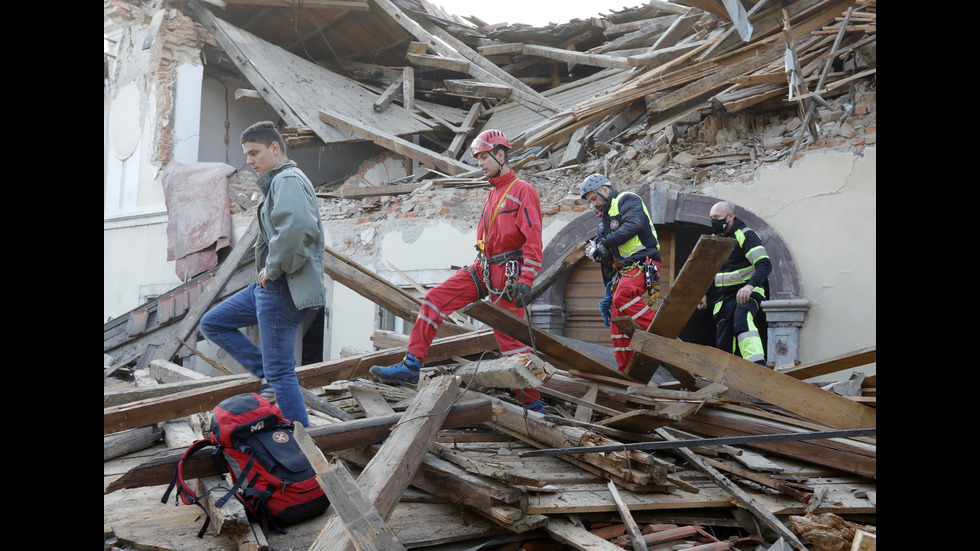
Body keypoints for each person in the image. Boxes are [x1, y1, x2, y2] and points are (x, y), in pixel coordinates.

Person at [369, 129, 546, 412]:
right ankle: (411, 367)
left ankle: (534, 408)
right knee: (434, 299)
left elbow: (534, 239)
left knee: (510, 341)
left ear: (501, 155)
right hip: (484, 268)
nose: (479, 164)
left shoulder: (523, 190)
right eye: (477, 159)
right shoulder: (493, 194)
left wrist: (527, 278)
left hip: (509, 275)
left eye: (484, 158)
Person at [200, 121, 325, 427]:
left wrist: (273, 268)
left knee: (281, 372)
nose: (250, 161)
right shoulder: (278, 183)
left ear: (274, 148)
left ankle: (301, 443)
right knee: (212, 322)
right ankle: (264, 373)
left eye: (254, 152)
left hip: (281, 287)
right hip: (267, 288)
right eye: (246, 155)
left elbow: (296, 228)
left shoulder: (288, 180)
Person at [579, 174, 662, 371]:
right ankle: (625, 368)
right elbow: (605, 248)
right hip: (626, 269)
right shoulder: (604, 218)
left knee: (622, 296)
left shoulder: (628, 200)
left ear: (605, 190)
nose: (593, 205)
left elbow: (634, 225)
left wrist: (604, 244)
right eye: (590, 201)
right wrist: (597, 253)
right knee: (616, 316)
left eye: (594, 198)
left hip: (644, 262)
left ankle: (660, 336)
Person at [697, 201, 771, 366]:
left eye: (717, 217)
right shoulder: (716, 240)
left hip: (747, 292)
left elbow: (764, 264)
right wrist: (703, 292)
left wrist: (749, 286)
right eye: (711, 217)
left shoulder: (746, 235)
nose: (713, 221)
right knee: (724, 337)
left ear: (730, 216)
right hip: (725, 297)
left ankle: (757, 367)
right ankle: (726, 374)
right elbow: (709, 269)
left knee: (742, 320)